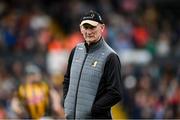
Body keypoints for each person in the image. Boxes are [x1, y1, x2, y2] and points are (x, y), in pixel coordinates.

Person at [63, 10, 123, 119]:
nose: (89, 31)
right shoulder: (76, 50)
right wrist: (66, 103)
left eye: (92, 27)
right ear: (81, 29)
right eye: (85, 27)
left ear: (102, 28)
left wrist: (94, 109)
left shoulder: (110, 56)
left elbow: (115, 92)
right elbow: (67, 79)